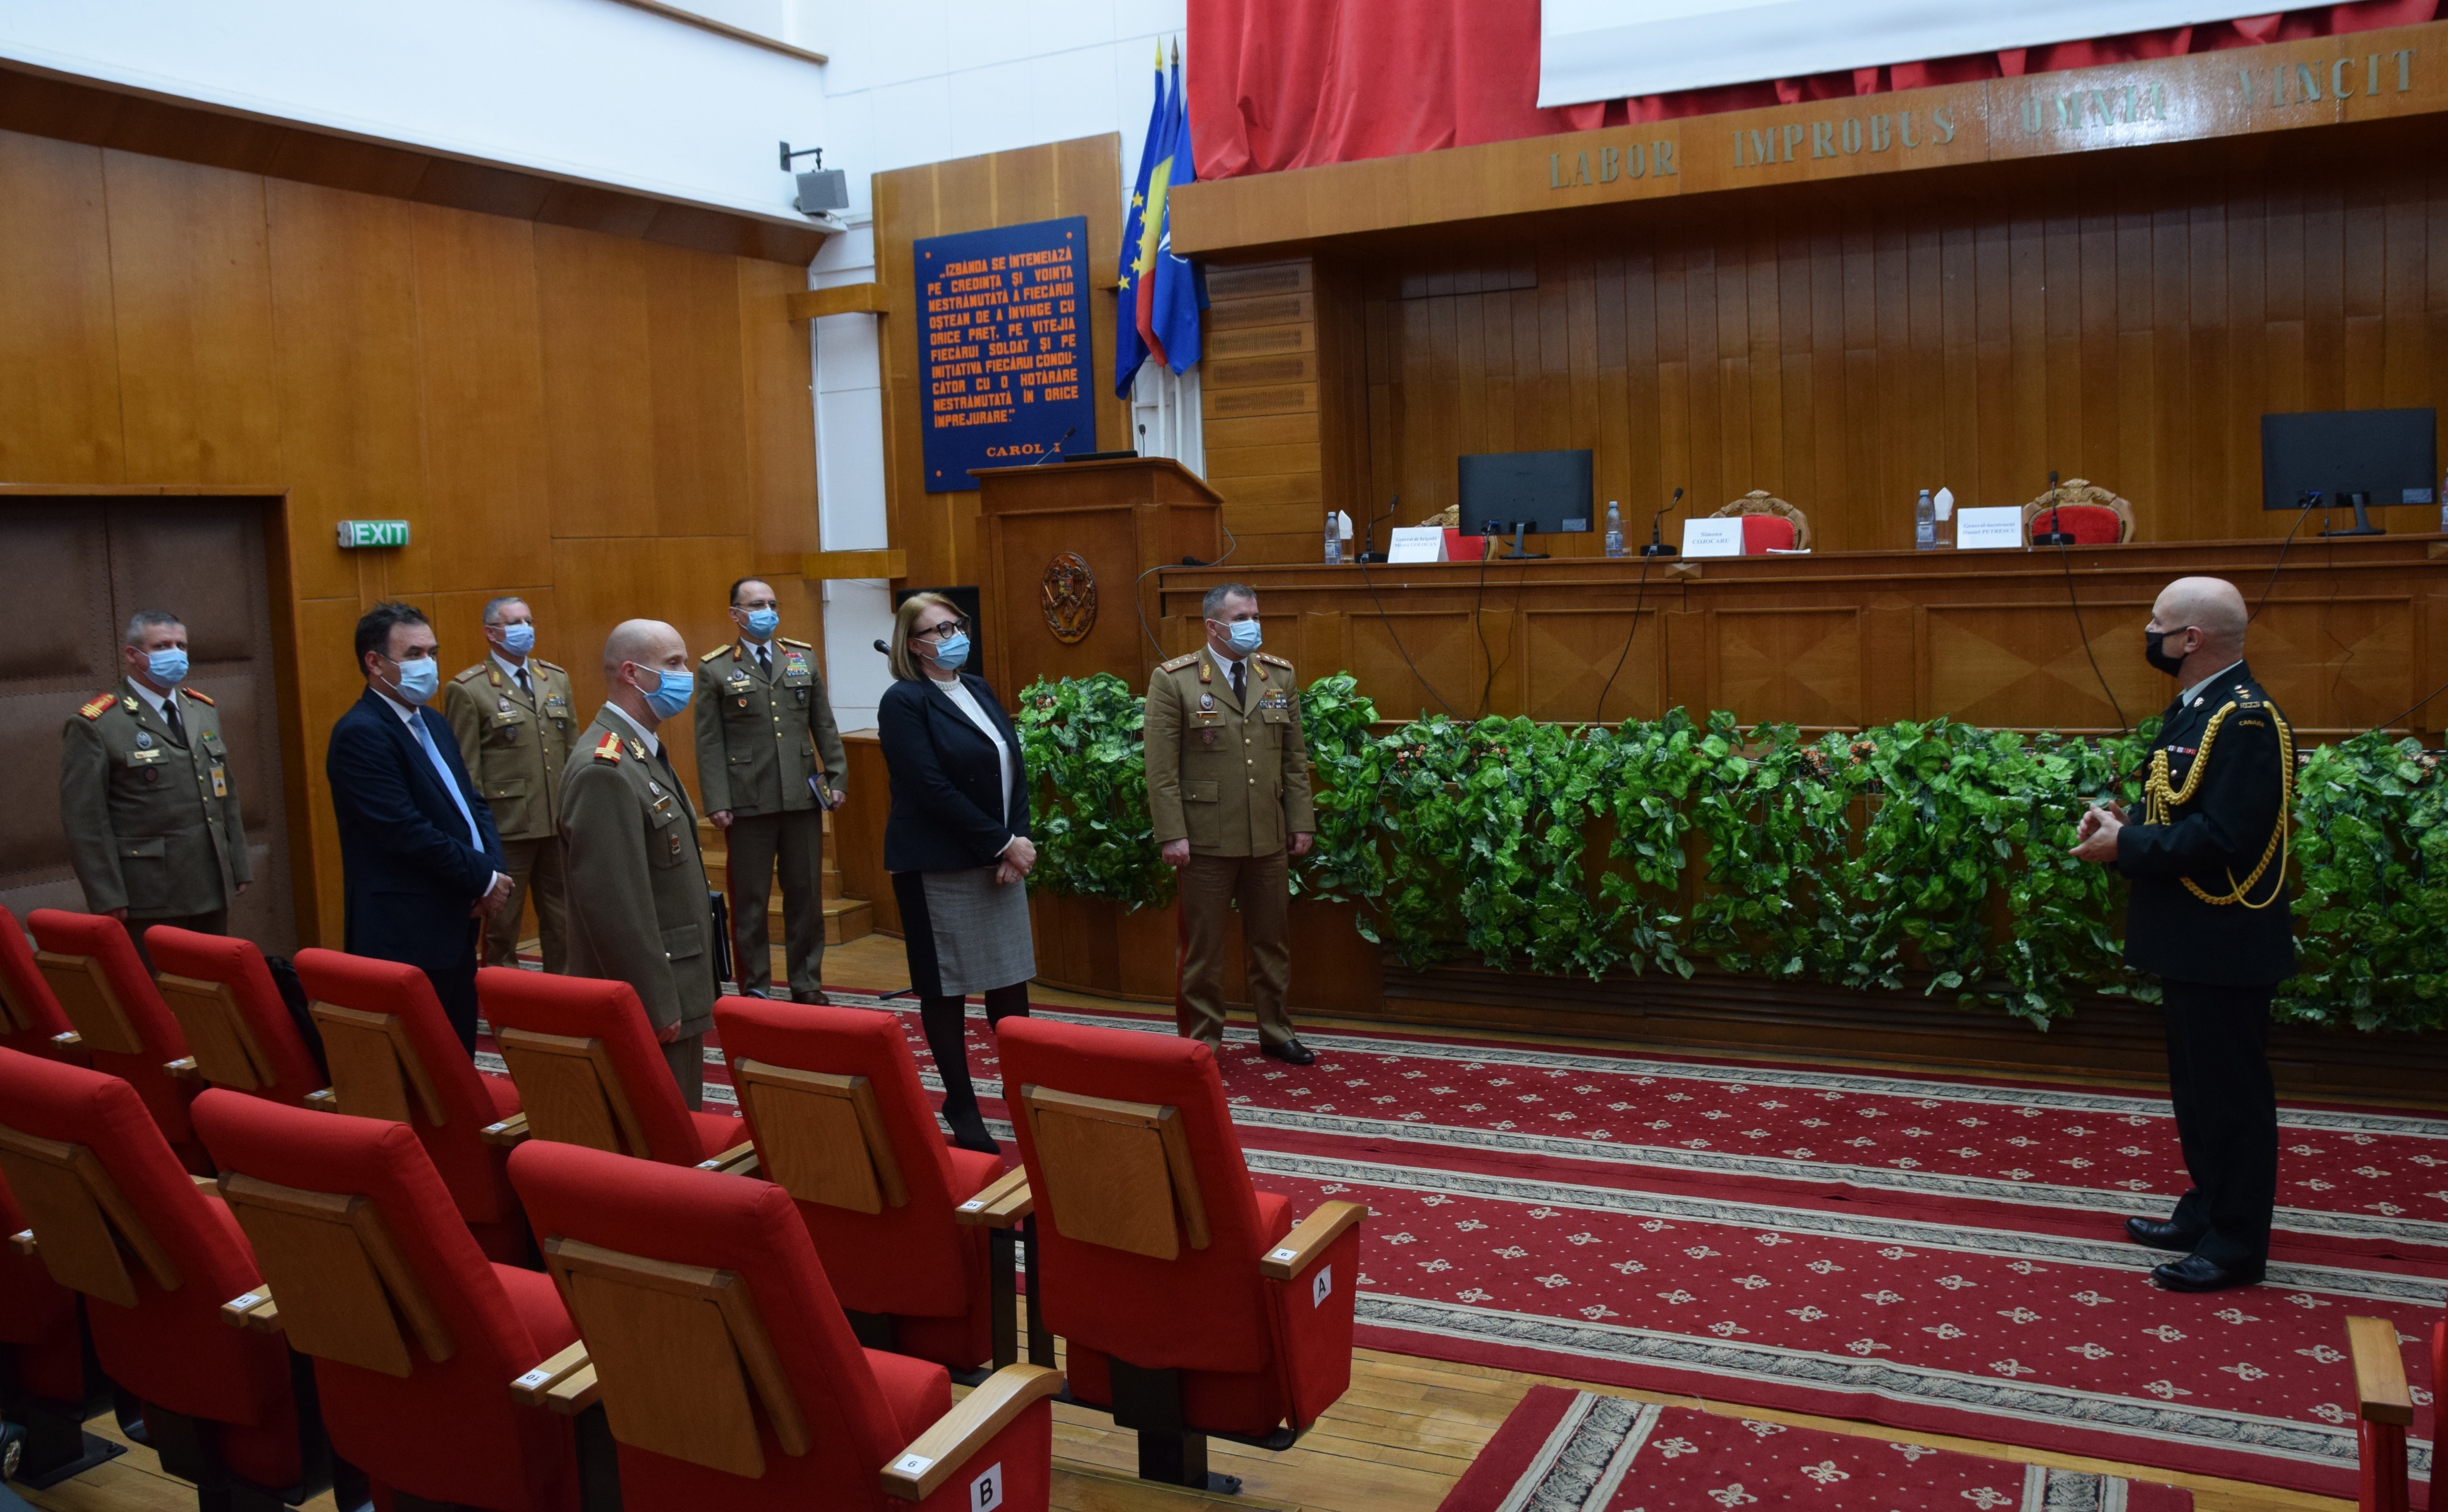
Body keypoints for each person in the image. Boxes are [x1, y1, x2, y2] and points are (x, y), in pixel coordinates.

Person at [2071, 575, 2293, 1293]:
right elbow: (2180, 806)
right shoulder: (2201, 705)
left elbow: (2226, 836)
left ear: (2190, 639)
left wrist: (2128, 847)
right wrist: (2125, 826)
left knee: (2231, 1100)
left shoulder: (2247, 720)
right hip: (2192, 936)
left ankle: (2236, 1244)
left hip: (2224, 939)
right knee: (2197, 1095)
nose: (2148, 633)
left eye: (2156, 623)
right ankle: (2207, 1210)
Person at [878, 593, 1038, 1152]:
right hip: (938, 864)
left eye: (956, 625)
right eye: (938, 630)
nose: (953, 636)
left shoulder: (978, 688)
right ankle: (961, 1103)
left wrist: (1015, 841)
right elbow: (929, 786)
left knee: (1009, 982)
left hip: (998, 860)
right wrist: (1000, 842)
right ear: (913, 644)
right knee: (945, 988)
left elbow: (1012, 767)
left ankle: (1024, 1088)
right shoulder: (903, 701)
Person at [1144, 583, 1318, 1064]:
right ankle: (1202, 1043)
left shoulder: (1277, 675)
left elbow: (1294, 758)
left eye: (1256, 616)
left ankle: (1276, 1031)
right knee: (1203, 950)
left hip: (1267, 834)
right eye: (1242, 617)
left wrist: (1301, 821)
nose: (1252, 625)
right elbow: (1161, 769)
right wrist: (1172, 833)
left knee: (1272, 943)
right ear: (1213, 625)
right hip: (1205, 839)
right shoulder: (1175, 680)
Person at [328, 601, 512, 1052]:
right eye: (413, 654)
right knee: (418, 1063)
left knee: (456, 1054)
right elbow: (404, 830)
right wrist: (482, 877)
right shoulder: (361, 733)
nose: (427, 664)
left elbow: (471, 803)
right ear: (375, 663)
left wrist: (491, 870)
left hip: (455, 918)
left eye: (432, 652)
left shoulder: (432, 721)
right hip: (405, 932)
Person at [561, 620, 718, 1107]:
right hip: (651, 998)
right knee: (661, 1126)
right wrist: (654, 1003)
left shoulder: (639, 751)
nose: (686, 675)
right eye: (673, 664)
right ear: (632, 673)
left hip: (676, 979)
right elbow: (616, 906)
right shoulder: (605, 768)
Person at [59, 610, 251, 965]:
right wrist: (107, 895)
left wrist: (237, 864)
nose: (175, 654)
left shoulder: (201, 710)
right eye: (161, 646)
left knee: (211, 985)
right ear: (133, 655)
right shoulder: (99, 724)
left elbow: (224, 791)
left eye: (181, 646)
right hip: (148, 893)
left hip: (210, 882)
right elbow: (85, 821)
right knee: (158, 989)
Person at [694, 578, 846, 1004]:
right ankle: (756, 984)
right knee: (751, 901)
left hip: (801, 796)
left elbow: (824, 724)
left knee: (806, 896)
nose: (767, 612)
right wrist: (717, 801)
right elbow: (709, 741)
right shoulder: (715, 668)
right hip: (747, 800)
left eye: (772, 604)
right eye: (756, 605)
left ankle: (806, 982)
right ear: (735, 614)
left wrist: (837, 777)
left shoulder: (801, 658)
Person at [444, 596, 576, 972]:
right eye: (515, 623)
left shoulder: (556, 678)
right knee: (502, 925)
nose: (526, 629)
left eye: (528, 621)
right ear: (491, 633)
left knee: (563, 921)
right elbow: (465, 771)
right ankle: (505, 995)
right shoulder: (469, 689)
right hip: (506, 828)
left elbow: (572, 751)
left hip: (556, 821)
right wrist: (476, 835)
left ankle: (565, 993)